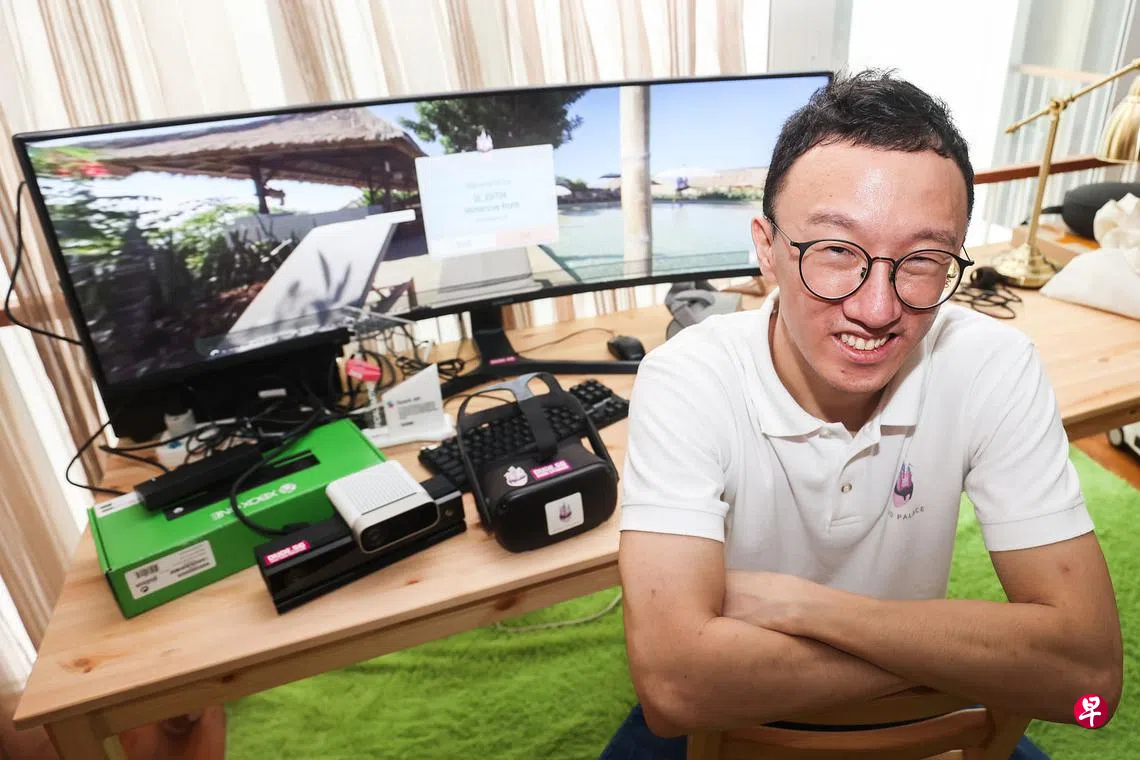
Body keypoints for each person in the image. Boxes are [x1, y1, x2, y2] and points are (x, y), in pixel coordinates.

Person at [599, 70, 1124, 760]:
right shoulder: (686, 377)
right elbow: (676, 694)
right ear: (765, 249)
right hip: (889, 689)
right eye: (837, 251)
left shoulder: (993, 364)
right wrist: (969, 656)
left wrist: (806, 609)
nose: (877, 309)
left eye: (924, 259)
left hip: (768, 686)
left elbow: (1091, 694)